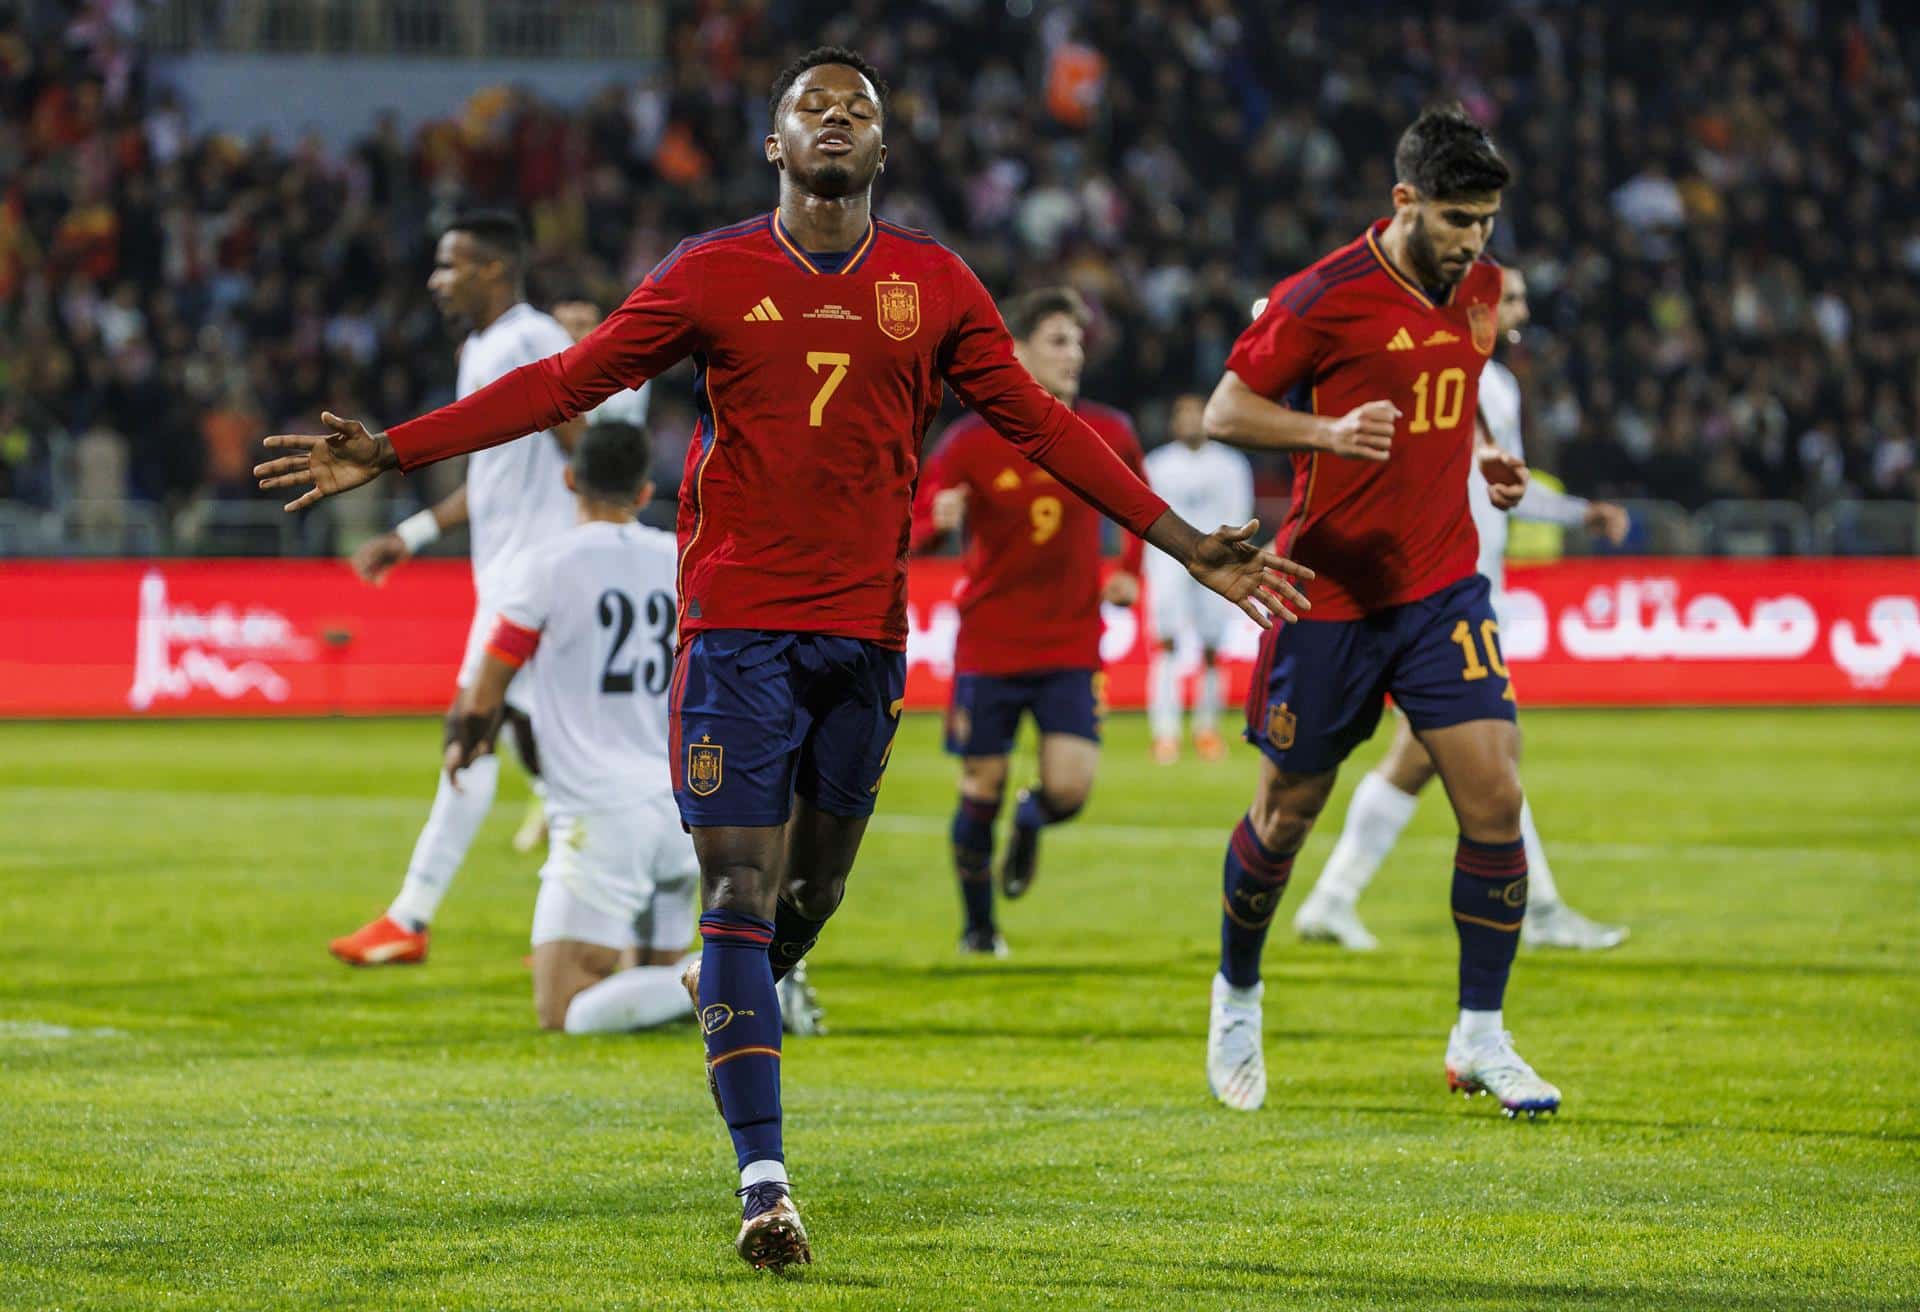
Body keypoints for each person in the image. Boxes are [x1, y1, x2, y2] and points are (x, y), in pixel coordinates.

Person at [255, 47, 1309, 1274]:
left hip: (862, 635)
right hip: (735, 631)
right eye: (814, 106)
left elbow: (1046, 428)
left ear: (880, 150)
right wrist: (396, 449)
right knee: (740, 897)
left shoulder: (934, 284)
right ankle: (766, 1182)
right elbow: (563, 384)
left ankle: (746, 986)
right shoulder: (711, 272)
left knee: (808, 900)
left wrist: (1183, 545)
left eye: (858, 110)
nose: (837, 120)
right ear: (776, 145)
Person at [1197, 104, 1562, 1120]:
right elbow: (1227, 409)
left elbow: (1457, 385)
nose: (1472, 242)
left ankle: (1481, 1035)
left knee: (1493, 798)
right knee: (1284, 817)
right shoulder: (1326, 296)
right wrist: (1324, 427)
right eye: (1454, 219)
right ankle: (1237, 994)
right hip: (1329, 599)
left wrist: (1483, 455)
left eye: (1485, 221)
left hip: (1442, 586)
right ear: (1403, 201)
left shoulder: (1481, 289)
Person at [1291, 266, 1632, 952]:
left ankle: (1330, 901)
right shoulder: (1458, 374)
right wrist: (1579, 512)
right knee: (1490, 745)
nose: (1522, 309)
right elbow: (1477, 471)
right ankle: (1538, 910)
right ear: (1475, 304)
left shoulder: (1492, 382)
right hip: (1440, 587)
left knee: (1426, 754)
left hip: (1467, 583)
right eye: (1511, 297)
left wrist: (1574, 512)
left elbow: (1503, 482)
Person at [330, 212, 582, 967]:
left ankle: (410, 915)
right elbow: (490, 479)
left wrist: (595, 528)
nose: (438, 279)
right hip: (511, 570)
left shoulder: (530, 338)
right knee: (554, 750)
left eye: (452, 265)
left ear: (495, 270)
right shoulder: (483, 347)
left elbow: (581, 437)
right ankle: (649, 901)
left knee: (469, 734)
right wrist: (408, 536)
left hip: (536, 576)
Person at [910, 286, 1144, 955]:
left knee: (1070, 788)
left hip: (1072, 643)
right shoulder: (968, 443)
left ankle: (1032, 819)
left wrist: (1129, 565)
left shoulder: (1110, 429)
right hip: (990, 644)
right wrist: (935, 525)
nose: (1074, 354)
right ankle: (979, 928)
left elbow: (1141, 505)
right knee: (979, 782)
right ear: (1016, 351)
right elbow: (918, 525)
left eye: (1077, 342)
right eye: (1058, 341)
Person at [445, 422, 696, 1033]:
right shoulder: (678, 559)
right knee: (650, 1000)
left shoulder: (545, 565)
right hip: (684, 808)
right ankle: (719, 980)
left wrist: (465, 740)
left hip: (601, 813)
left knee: (563, 1013)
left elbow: (493, 674)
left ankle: (744, 984)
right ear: (644, 493)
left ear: (568, 481)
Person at [497, 294, 658, 858]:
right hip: (549, 548)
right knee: (524, 699)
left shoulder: (622, 382)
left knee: (563, 685)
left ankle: (569, 793)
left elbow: (592, 444)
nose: (575, 334)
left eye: (587, 324)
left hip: (598, 550)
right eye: (565, 326)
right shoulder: (548, 382)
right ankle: (549, 790)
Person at [1142, 394, 1256, 764]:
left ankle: (1206, 730)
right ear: (1174, 422)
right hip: (1166, 563)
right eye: (1183, 414)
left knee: (1211, 650)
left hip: (1217, 564)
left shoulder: (1230, 464)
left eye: (1196, 413)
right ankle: (1166, 734)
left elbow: (1240, 514)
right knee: (1167, 645)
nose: (1190, 421)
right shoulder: (1156, 463)